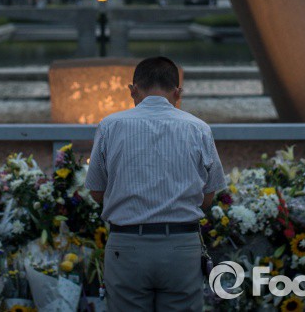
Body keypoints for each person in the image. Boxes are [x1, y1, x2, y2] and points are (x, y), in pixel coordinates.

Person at [85, 56, 226, 312]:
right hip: (181, 246)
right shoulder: (199, 128)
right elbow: (208, 196)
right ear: (178, 93)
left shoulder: (110, 126)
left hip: (126, 245)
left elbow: (96, 190)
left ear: (132, 90)